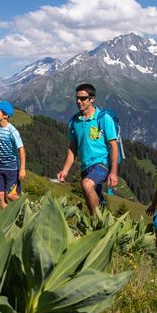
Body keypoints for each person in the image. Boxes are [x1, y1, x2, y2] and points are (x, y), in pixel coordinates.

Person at [56, 83, 119, 215]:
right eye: (77, 98)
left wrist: (113, 172)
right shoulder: (74, 121)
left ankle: (96, 224)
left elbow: (114, 146)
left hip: (102, 163)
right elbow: (72, 149)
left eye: (83, 98)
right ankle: (104, 220)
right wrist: (65, 170)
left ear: (92, 99)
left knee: (87, 184)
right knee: (92, 197)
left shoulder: (103, 118)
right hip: (86, 166)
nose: (79, 101)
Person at [0, 101, 26, 208]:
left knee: (10, 195)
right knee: (0, 196)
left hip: (12, 169)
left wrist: (22, 169)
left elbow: (21, 150)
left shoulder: (12, 132)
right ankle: (7, 221)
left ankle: (27, 208)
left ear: (5, 115)